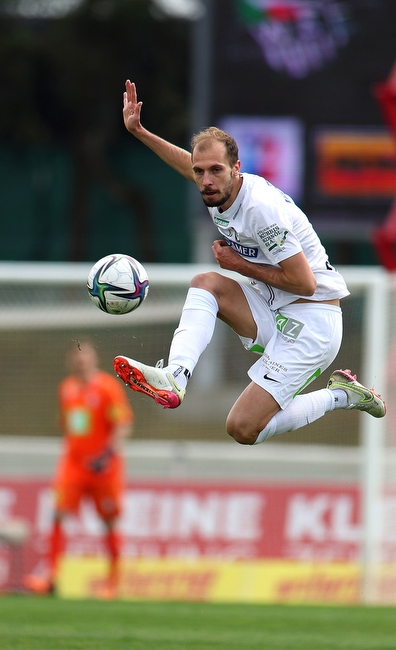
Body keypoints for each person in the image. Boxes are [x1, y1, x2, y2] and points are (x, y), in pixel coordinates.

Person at [114, 79, 385, 446]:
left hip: (312, 322)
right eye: (200, 172)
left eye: (216, 171)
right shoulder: (218, 187)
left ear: (236, 168)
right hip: (275, 306)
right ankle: (176, 375)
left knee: (242, 429)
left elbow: (305, 283)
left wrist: (239, 266)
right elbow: (187, 163)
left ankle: (341, 395)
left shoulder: (261, 212)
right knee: (206, 283)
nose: (206, 181)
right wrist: (141, 132)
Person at [24, 340, 132, 598]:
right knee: (59, 514)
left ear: (95, 359)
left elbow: (123, 424)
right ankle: (50, 577)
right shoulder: (67, 389)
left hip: (103, 467)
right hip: (73, 465)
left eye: (85, 356)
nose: (80, 361)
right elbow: (67, 424)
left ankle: (112, 583)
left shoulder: (108, 387)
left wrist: (106, 454)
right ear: (70, 361)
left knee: (108, 521)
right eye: (76, 356)